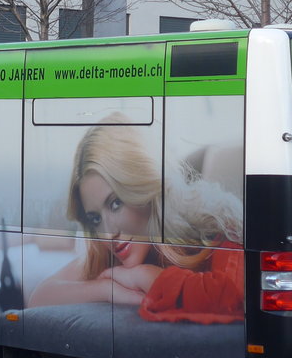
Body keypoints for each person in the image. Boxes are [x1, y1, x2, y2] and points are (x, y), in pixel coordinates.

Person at [27, 114, 245, 323]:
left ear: (144, 186)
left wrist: (149, 278)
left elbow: (234, 297)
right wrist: (106, 290)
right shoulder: (110, 253)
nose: (108, 232)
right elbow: (39, 298)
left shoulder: (216, 221)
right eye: (95, 218)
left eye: (115, 203)